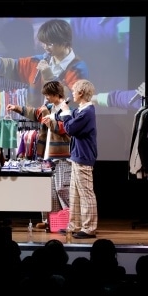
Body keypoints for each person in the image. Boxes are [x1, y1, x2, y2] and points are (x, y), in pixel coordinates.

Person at [0, 18, 89, 108]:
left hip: (62, 126)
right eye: (43, 43)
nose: (45, 47)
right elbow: (13, 65)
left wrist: (49, 77)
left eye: (49, 44)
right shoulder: (40, 60)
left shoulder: (78, 68)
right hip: (37, 123)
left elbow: (73, 100)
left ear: (63, 42)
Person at [6, 80, 71, 230]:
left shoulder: (66, 109)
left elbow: (64, 130)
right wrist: (17, 108)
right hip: (47, 155)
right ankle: (50, 221)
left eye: (48, 95)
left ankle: (69, 220)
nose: (46, 97)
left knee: (62, 189)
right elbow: (35, 113)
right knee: (49, 191)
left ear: (56, 94)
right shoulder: (49, 108)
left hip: (61, 156)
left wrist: (48, 118)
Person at [55, 79, 98, 239]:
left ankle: (89, 228)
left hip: (83, 156)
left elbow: (70, 128)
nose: (72, 93)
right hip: (77, 156)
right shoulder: (81, 110)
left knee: (86, 194)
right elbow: (64, 117)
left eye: (74, 91)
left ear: (81, 93)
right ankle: (74, 225)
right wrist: (61, 109)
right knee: (75, 194)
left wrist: (66, 112)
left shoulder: (87, 112)